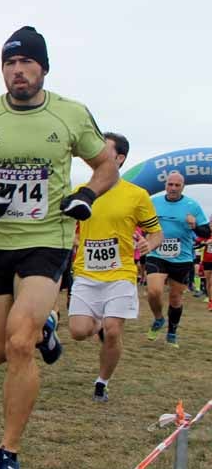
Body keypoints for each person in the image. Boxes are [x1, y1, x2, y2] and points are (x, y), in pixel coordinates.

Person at [0, 25, 118, 469]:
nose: (17, 72)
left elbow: (107, 166)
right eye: (9, 64)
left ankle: (7, 454)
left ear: (43, 68)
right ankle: (48, 330)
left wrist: (86, 194)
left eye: (26, 63)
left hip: (47, 238)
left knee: (20, 343)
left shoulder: (71, 114)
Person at [67, 133, 162, 402]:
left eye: (104, 151)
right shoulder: (82, 193)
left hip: (121, 273)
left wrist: (150, 245)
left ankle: (102, 381)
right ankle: (97, 321)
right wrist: (74, 239)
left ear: (119, 158)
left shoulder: (137, 195)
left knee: (113, 329)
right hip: (86, 272)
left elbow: (156, 233)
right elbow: (68, 227)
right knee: (78, 332)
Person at [144, 171, 210, 345]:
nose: (173, 188)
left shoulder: (192, 206)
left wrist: (194, 225)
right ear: (165, 185)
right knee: (154, 291)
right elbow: (143, 223)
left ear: (183, 187)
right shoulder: (154, 203)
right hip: (157, 253)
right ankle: (158, 318)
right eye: (170, 184)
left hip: (181, 258)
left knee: (175, 298)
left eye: (177, 185)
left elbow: (206, 232)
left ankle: (172, 331)